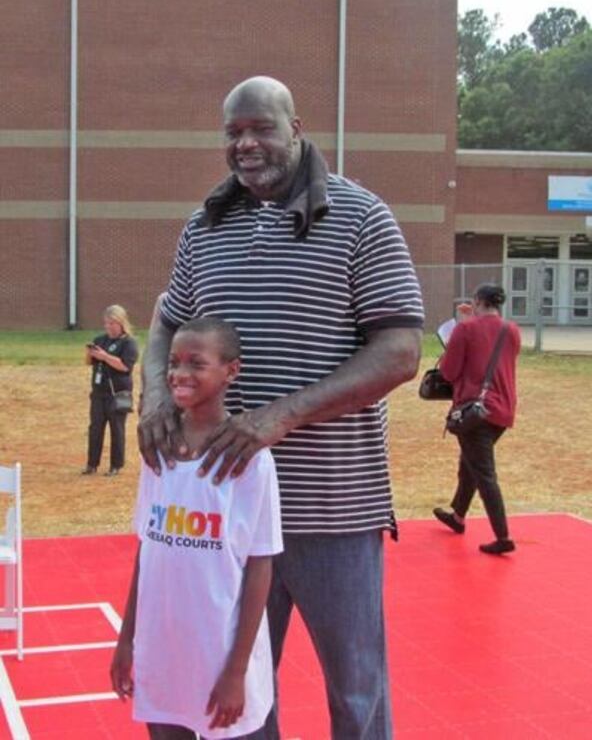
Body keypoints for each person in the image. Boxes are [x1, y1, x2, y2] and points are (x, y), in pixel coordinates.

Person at [138, 76, 424, 739]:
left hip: (331, 509)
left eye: (261, 127)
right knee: (235, 696)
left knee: (356, 693)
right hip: (226, 511)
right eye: (233, 132)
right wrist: (154, 395)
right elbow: (164, 321)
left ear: (296, 128)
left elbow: (401, 350)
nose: (246, 144)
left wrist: (283, 416)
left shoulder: (361, 216)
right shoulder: (203, 226)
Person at [111, 316, 283, 739]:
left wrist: (237, 671)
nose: (180, 374)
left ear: (231, 371)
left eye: (196, 363)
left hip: (220, 655)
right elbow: (146, 553)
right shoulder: (159, 448)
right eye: (174, 362)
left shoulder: (249, 459)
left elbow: (260, 566)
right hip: (163, 651)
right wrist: (127, 640)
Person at [433, 283, 520, 555]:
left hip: (475, 410)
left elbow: (448, 371)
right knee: (470, 462)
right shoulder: (512, 330)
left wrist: (462, 327)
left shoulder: (465, 329)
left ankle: (503, 536)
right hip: (502, 409)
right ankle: (457, 515)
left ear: (478, 301)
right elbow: (492, 350)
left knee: (484, 473)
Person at [82, 304, 139, 476]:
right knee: (95, 428)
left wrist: (105, 357)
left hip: (118, 393)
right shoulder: (100, 340)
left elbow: (124, 366)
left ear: (121, 323)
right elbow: (89, 362)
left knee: (117, 429)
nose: (108, 327)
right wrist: (90, 353)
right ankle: (92, 464)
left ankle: (116, 465)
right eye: (106, 323)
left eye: (112, 323)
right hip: (99, 392)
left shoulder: (129, 343)